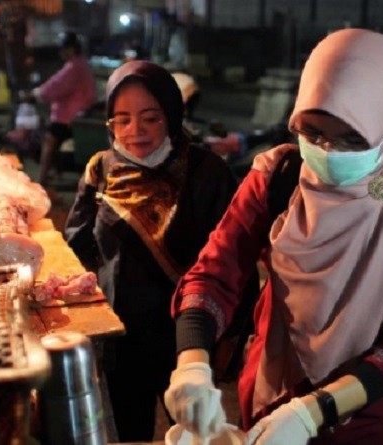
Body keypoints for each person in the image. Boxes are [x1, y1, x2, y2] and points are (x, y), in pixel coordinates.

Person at [163, 29, 383, 444]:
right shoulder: (279, 178)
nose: (326, 151)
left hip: (370, 422)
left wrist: (313, 412)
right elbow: (215, 274)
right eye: (311, 131)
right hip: (271, 398)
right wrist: (192, 361)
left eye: (351, 137)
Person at [63, 60, 254, 442]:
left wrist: (231, 336)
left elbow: (237, 256)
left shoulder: (206, 171)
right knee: (129, 431)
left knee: (193, 433)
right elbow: (77, 242)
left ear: (171, 115)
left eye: (149, 118)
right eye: (122, 119)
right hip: (121, 337)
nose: (135, 132)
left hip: (185, 341)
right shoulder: (100, 169)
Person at [33, 31, 96, 187]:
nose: (61, 52)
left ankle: (42, 179)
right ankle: (55, 172)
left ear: (71, 49)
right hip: (76, 113)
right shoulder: (79, 64)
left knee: (50, 138)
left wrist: (38, 93)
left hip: (70, 116)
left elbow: (57, 85)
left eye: (63, 49)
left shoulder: (75, 66)